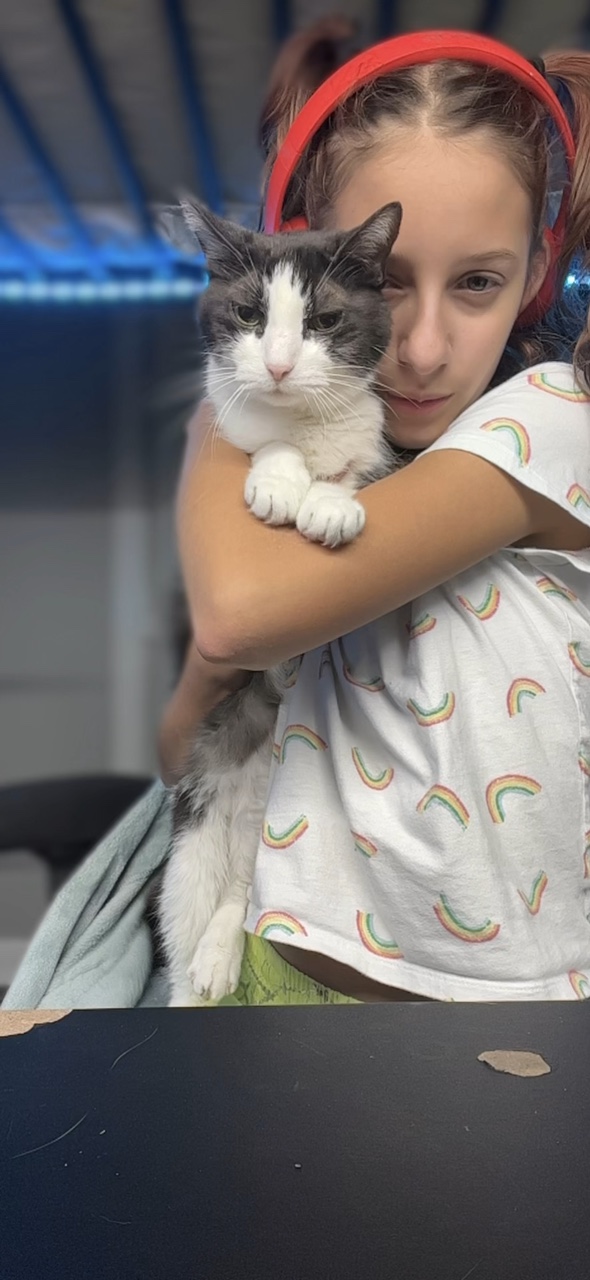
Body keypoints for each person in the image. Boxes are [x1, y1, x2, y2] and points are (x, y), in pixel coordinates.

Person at [160, 17, 590, 1007]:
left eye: (476, 282)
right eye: (388, 284)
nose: (422, 348)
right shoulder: (329, 442)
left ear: (534, 276)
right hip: (277, 962)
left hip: (498, 1008)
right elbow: (185, 742)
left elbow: (234, 619)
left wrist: (215, 423)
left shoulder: (552, 418)